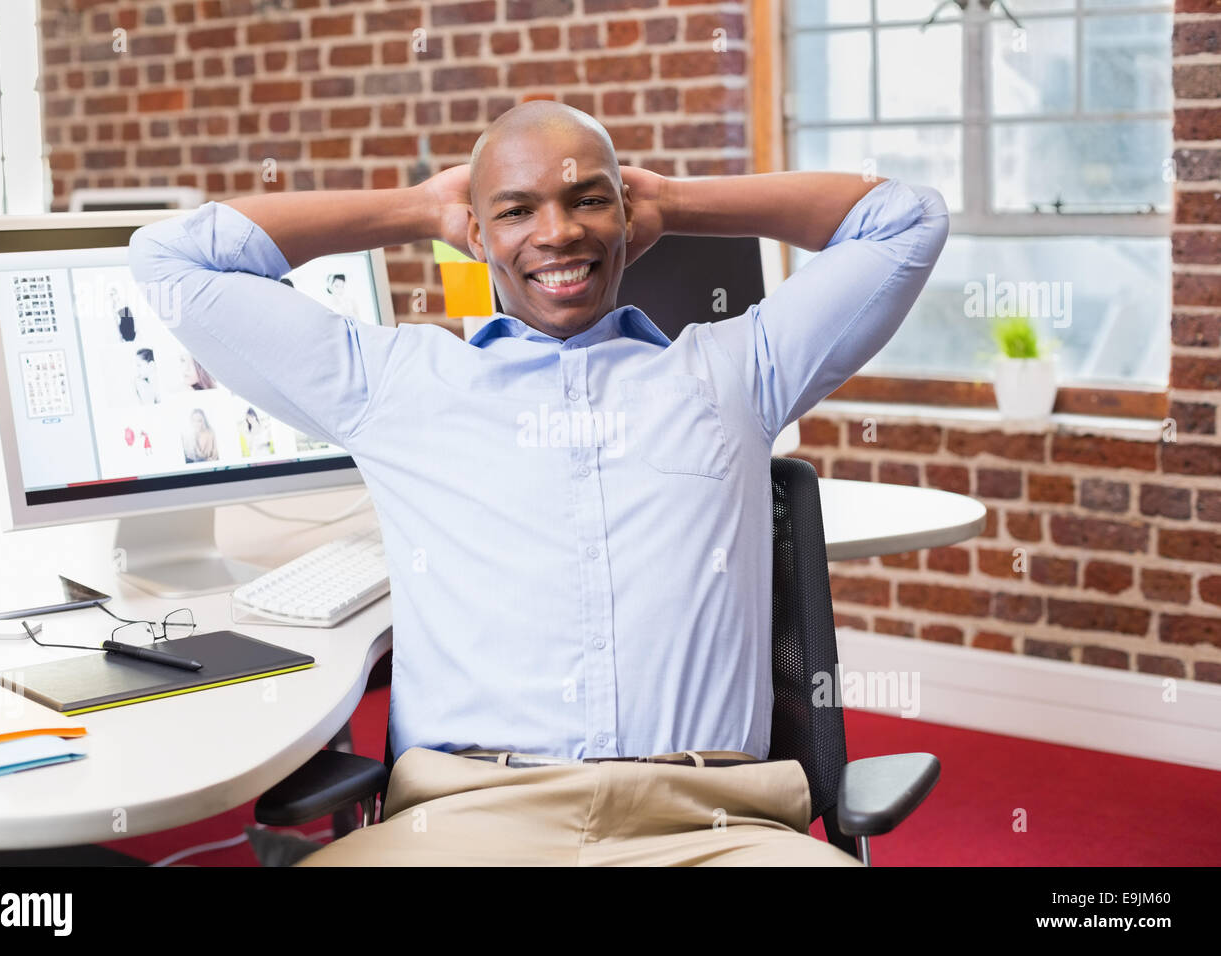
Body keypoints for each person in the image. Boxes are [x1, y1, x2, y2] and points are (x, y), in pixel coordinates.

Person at [129, 101, 949, 866]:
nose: (556, 233)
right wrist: (418, 209)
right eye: (517, 210)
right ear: (477, 235)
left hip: (714, 825)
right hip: (460, 822)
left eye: (588, 201)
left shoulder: (737, 371)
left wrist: (675, 200)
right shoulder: (394, 385)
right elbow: (170, 258)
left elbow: (906, 220)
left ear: (627, 220)